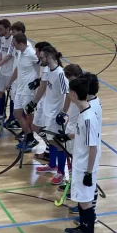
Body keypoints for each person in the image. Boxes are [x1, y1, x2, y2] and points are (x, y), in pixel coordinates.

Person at [64, 73, 102, 233]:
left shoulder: (88, 118)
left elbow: (93, 148)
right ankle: (83, 230)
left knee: (86, 203)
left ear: (73, 94)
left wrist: (88, 173)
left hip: (85, 167)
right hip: (80, 164)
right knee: (81, 201)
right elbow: (83, 136)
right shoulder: (84, 112)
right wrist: (68, 136)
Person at [33, 45, 69, 184]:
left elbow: (68, 94)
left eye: (42, 57)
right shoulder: (49, 70)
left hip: (55, 114)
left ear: (49, 57)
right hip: (48, 111)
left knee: (57, 143)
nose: (40, 60)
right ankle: (52, 164)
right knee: (51, 140)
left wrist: (63, 113)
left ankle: (61, 173)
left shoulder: (60, 74)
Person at [11, 33, 40, 152]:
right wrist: (10, 82)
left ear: (21, 43)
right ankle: (28, 135)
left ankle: (30, 138)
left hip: (28, 91)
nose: (13, 45)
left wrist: (39, 80)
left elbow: (44, 64)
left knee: (28, 115)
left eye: (14, 43)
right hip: (20, 88)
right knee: (17, 113)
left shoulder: (32, 54)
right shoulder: (20, 53)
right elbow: (18, 69)